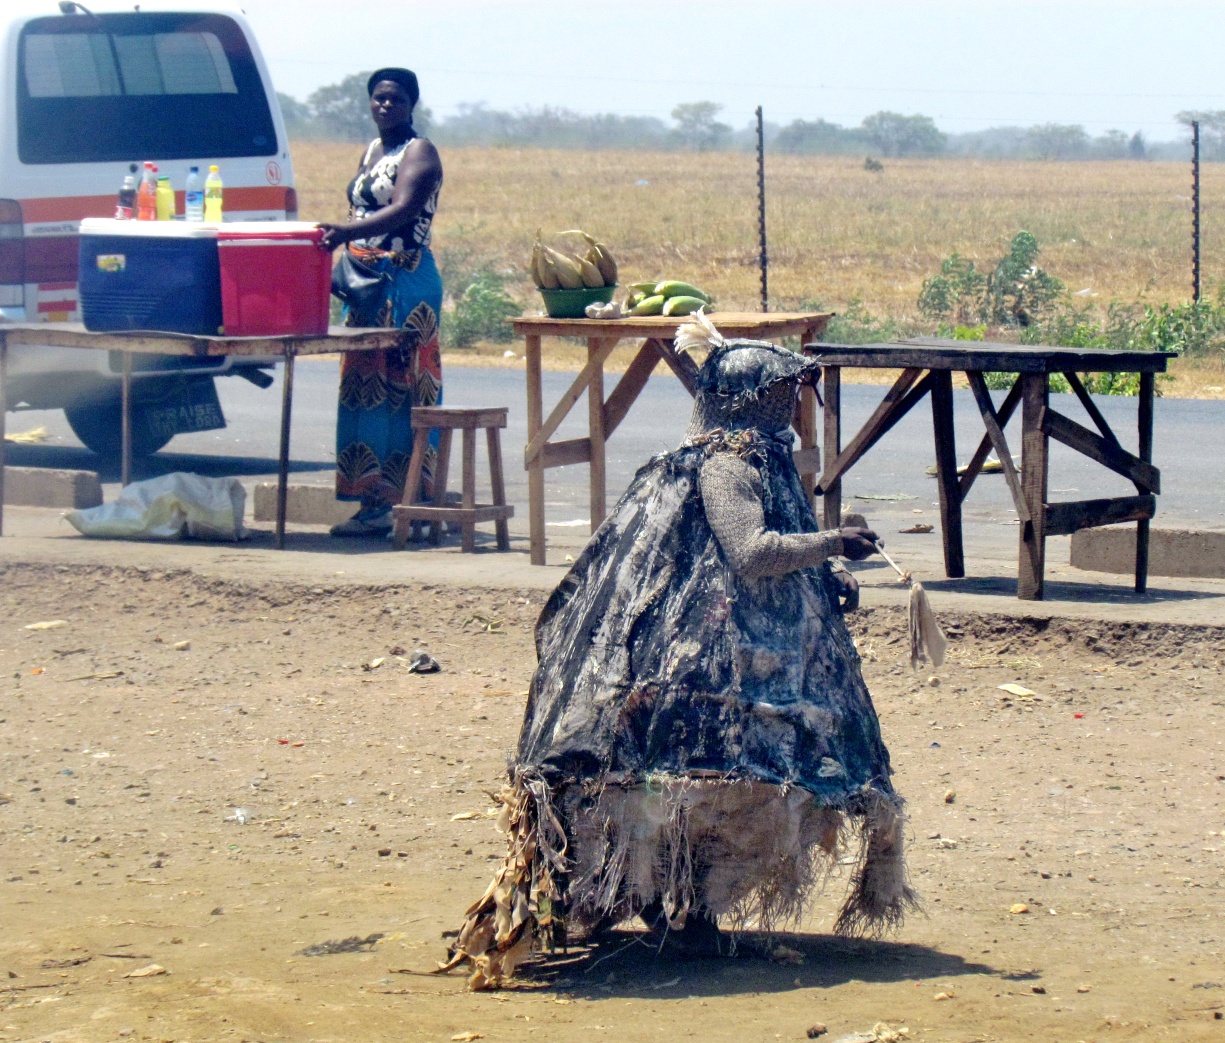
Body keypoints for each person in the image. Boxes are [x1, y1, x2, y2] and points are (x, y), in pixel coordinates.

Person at [446, 315, 915, 988]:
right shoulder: (726, 466)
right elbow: (751, 552)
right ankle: (664, 903)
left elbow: (778, 546)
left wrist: (825, 572)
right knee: (690, 775)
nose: (794, 405)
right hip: (697, 652)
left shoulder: (763, 461)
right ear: (753, 400)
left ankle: (682, 905)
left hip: (742, 646)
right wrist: (832, 544)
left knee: (723, 778)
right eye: (782, 394)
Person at [319, 68, 444, 537]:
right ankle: (371, 503)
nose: (385, 106)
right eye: (378, 98)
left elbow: (406, 207)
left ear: (411, 104)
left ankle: (409, 503)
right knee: (364, 387)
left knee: (403, 388)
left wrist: (346, 233)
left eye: (395, 99)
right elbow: (360, 206)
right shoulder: (374, 151)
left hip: (405, 280)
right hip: (365, 281)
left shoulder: (421, 152)